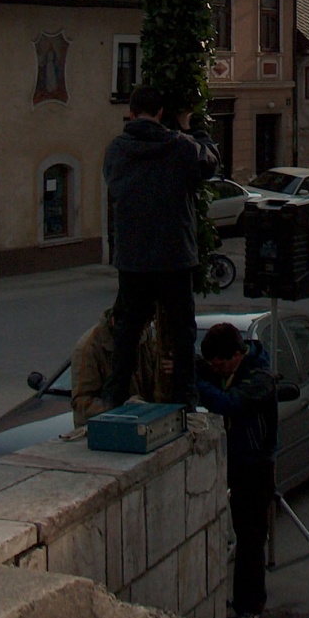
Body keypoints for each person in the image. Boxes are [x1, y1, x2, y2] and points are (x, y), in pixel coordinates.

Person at [101, 83, 220, 411]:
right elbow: (209, 162)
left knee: (129, 326)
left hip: (133, 255)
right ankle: (186, 395)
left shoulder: (116, 150)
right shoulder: (180, 146)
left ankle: (114, 392)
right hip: (174, 254)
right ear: (160, 114)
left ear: (130, 112)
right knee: (183, 329)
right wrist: (190, 127)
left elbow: (112, 184)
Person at [195, 322, 277, 618]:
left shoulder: (261, 379)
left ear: (238, 355)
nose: (215, 368)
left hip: (254, 466)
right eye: (211, 363)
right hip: (224, 462)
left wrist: (198, 385)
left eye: (220, 362)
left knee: (250, 539)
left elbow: (230, 405)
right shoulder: (217, 370)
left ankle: (249, 606)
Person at [70, 308, 158, 426]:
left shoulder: (144, 335)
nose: (142, 332)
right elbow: (81, 402)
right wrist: (124, 409)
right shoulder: (89, 348)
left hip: (141, 424)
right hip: (100, 431)